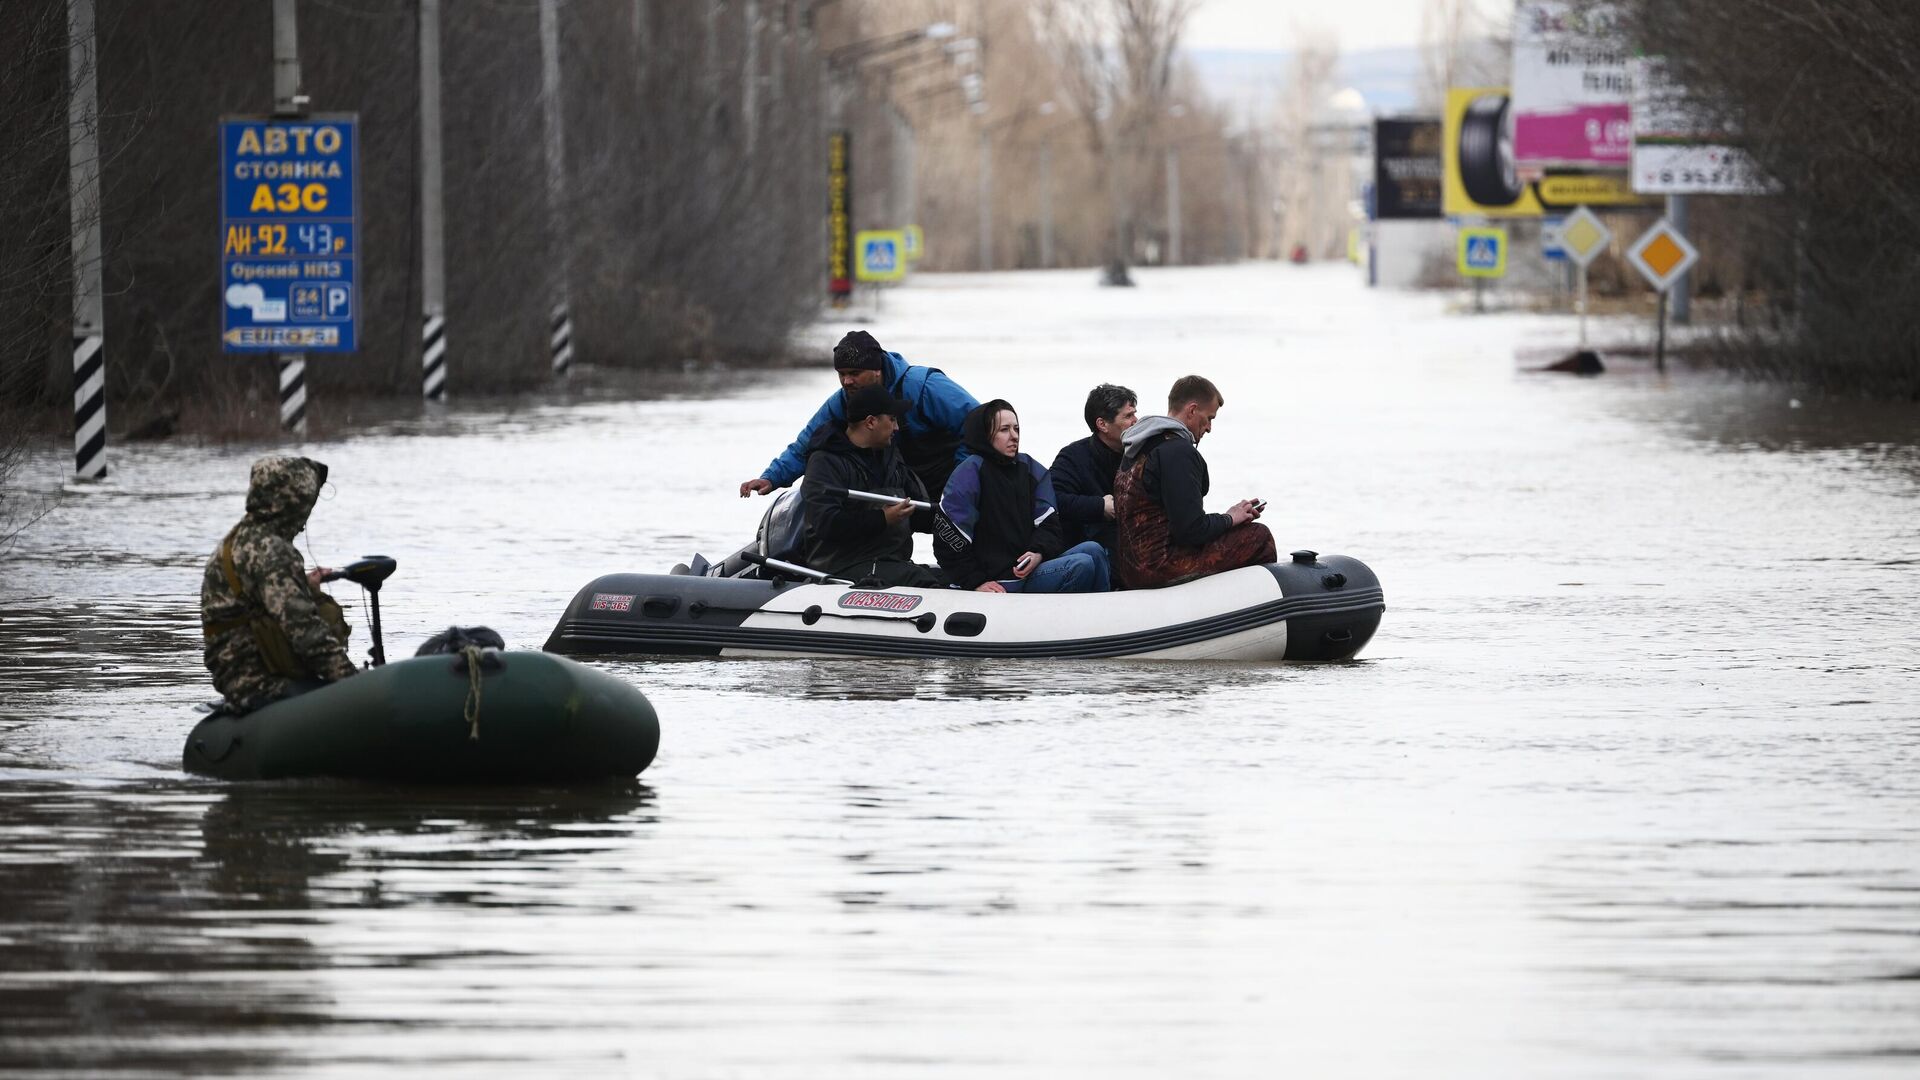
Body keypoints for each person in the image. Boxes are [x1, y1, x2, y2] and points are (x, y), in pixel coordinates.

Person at [739, 329, 979, 505]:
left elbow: (981, 424)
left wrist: (958, 485)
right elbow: (806, 444)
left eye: (854, 373)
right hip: (904, 485)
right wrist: (772, 477)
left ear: (877, 371)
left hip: (952, 480)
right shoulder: (843, 400)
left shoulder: (924, 386)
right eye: (841, 374)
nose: (847, 381)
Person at [200, 455, 356, 713]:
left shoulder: (240, 538)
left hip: (234, 675)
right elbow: (306, 634)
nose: (305, 522)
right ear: (292, 502)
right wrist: (355, 683)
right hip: (257, 681)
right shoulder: (272, 552)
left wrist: (308, 591)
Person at [1113, 376, 1276, 589]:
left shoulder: (1138, 448)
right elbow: (1190, 531)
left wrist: (1230, 517)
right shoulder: (1177, 452)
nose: (1209, 428)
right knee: (1258, 536)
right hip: (1159, 567)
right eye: (1209, 418)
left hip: (1129, 569)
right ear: (1192, 410)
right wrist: (1229, 519)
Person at [934, 400, 1111, 594]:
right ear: (985, 434)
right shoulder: (970, 471)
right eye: (1004, 430)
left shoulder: (1030, 468)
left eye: (1016, 429)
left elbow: (1050, 524)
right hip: (999, 579)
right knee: (1081, 564)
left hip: (1028, 568)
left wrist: (1038, 552)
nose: (1014, 436)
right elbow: (948, 538)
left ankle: (1105, 614)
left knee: (1094, 549)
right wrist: (975, 581)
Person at [799, 384, 943, 587]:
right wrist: (883, 518)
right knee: (924, 583)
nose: (897, 427)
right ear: (871, 422)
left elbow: (920, 512)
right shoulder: (825, 461)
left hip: (890, 562)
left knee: (951, 579)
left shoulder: (891, 456)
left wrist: (956, 516)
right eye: (892, 419)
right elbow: (826, 523)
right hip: (842, 565)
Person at [1049, 383, 1138, 552]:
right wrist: (1099, 507)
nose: (1136, 421)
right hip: (1093, 552)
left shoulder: (1142, 454)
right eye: (1128, 416)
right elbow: (1053, 499)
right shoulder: (1073, 457)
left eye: (1135, 414)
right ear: (1102, 424)